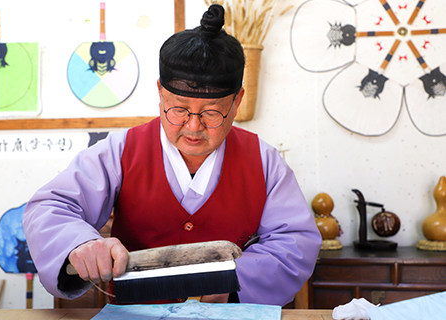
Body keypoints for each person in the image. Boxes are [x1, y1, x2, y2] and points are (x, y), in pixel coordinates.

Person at [23, 4, 321, 306]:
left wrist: (235, 280)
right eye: (178, 109)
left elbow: (294, 242)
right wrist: (80, 242)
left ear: (237, 101)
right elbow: (50, 207)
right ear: (160, 93)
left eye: (212, 113)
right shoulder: (122, 151)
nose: (193, 126)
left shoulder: (264, 162)